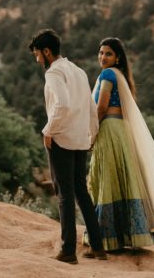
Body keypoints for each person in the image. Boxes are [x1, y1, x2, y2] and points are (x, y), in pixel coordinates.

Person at [87, 37, 154, 251]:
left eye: (108, 54)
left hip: (110, 130)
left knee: (108, 181)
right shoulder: (121, 76)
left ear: (118, 57)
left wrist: (90, 136)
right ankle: (129, 235)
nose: (103, 57)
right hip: (121, 131)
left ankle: (107, 239)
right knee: (124, 179)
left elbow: (101, 108)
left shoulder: (107, 74)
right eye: (101, 53)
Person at [29, 29, 107, 264]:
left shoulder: (53, 72)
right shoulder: (79, 71)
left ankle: (68, 251)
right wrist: (91, 135)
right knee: (81, 192)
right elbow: (91, 107)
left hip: (61, 137)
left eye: (37, 55)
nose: (37, 60)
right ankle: (98, 246)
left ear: (46, 52)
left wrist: (48, 130)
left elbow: (61, 105)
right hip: (80, 138)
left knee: (64, 195)